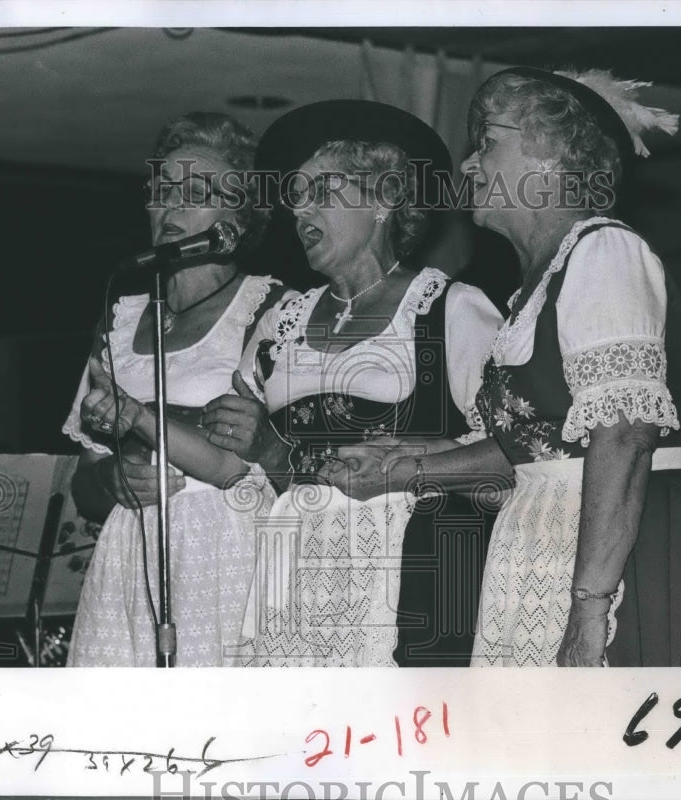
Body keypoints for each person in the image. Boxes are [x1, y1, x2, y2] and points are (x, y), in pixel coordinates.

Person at [335, 68, 681, 667]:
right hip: (546, 543)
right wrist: (404, 467)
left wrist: (590, 606)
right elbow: (536, 445)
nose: (469, 165)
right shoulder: (534, 288)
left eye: (488, 142)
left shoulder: (605, 250)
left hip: (630, 550)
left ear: (552, 157)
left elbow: (625, 434)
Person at [201, 100, 503, 667]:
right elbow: (255, 470)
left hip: (418, 583)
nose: (299, 212)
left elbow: (514, 461)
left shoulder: (452, 311)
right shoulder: (280, 322)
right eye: (295, 198)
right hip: (295, 582)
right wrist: (260, 444)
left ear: (385, 199)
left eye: (321, 191)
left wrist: (412, 464)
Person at [62, 112, 289, 666]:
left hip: (227, 550)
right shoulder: (120, 315)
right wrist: (111, 478)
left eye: (196, 192)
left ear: (240, 216)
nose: (172, 205)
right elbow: (81, 485)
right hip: (130, 555)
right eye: (163, 190)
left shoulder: (273, 307)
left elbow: (290, 467)